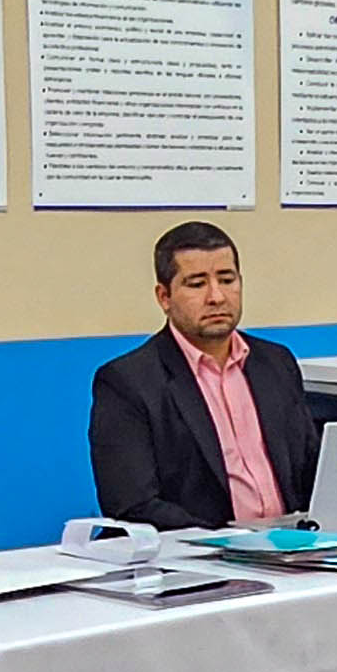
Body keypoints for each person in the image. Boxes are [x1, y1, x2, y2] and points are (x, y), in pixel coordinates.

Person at [90, 221, 321, 529]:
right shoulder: (128, 382)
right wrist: (230, 540)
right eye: (196, 284)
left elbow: (309, 471)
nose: (216, 297)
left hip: (292, 547)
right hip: (195, 558)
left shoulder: (276, 363)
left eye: (227, 279)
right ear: (164, 297)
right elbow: (132, 504)